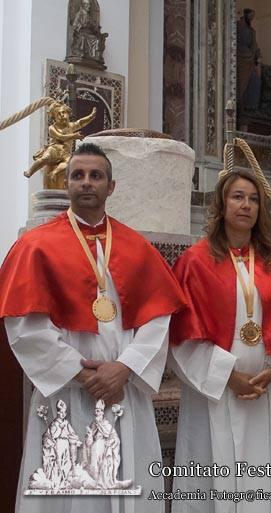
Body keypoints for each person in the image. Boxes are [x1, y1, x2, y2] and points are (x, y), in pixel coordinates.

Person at [0, 142, 186, 512]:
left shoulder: (136, 247)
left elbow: (157, 319)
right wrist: (83, 376)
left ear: (111, 187)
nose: (87, 183)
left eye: (95, 175)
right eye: (78, 175)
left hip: (123, 393)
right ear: (66, 184)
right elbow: (26, 326)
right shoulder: (37, 247)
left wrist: (124, 368)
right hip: (67, 397)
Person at [168, 169, 271, 513]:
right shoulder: (195, 262)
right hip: (214, 392)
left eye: (254, 199)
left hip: (266, 393)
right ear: (221, 204)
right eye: (238, 197)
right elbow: (182, 336)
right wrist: (229, 376)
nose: (246, 205)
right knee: (211, 474)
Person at [236, 8, 262, 112]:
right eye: (251, 15)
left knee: (255, 81)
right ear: (246, 14)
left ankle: (249, 108)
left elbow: (255, 46)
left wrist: (257, 57)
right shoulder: (238, 25)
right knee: (240, 83)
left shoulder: (252, 31)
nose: (252, 17)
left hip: (250, 59)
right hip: (239, 58)